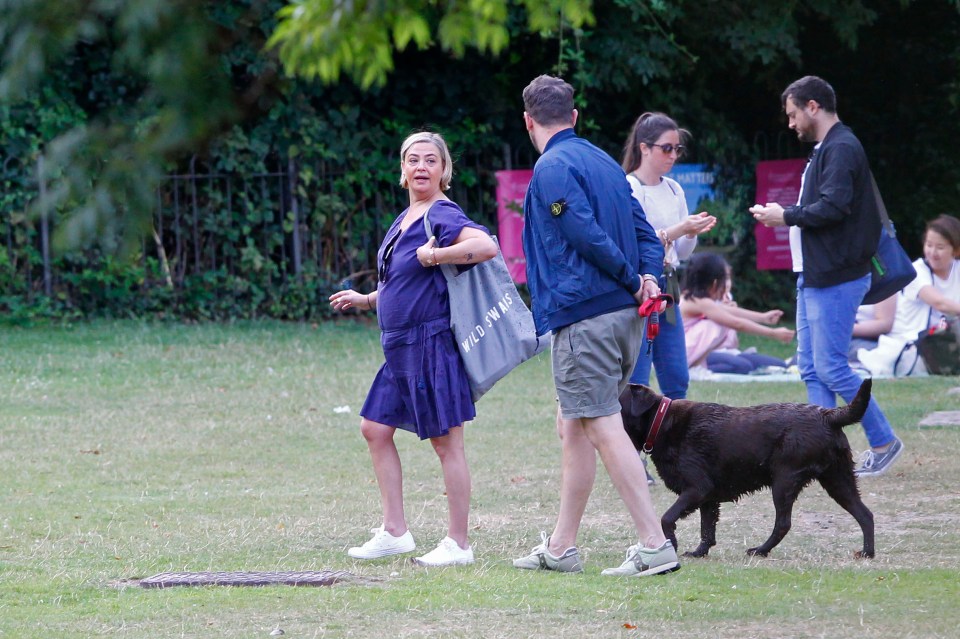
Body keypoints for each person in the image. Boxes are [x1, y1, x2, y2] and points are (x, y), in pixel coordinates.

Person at [512, 75, 679, 577]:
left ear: (528, 121)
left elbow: (580, 231)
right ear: (575, 116)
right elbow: (646, 233)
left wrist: (633, 280)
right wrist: (648, 277)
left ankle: (654, 544)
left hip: (587, 316)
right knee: (575, 426)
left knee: (601, 424)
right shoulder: (606, 162)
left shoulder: (551, 167)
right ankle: (561, 548)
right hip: (622, 318)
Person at [329, 131, 498, 566]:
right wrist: (366, 299)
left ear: (444, 170)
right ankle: (395, 532)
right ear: (402, 171)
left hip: (430, 345)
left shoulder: (441, 212)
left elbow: (485, 246)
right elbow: (398, 282)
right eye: (412, 160)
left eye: (430, 160)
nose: (420, 167)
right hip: (399, 348)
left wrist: (436, 257)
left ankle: (459, 544)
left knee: (447, 445)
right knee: (374, 428)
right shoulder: (406, 216)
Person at [750, 75, 904, 478]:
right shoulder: (827, 148)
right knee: (812, 368)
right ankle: (823, 452)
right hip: (816, 275)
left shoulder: (842, 147)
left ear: (813, 107)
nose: (790, 123)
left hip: (837, 276)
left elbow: (833, 207)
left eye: (792, 113)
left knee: (832, 366)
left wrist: (784, 215)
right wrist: (786, 214)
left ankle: (885, 441)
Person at [620, 112, 717, 395]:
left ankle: (675, 436)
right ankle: (631, 438)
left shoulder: (674, 189)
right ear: (644, 148)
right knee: (637, 378)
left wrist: (691, 232)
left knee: (676, 377)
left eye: (677, 149)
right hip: (642, 287)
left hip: (669, 285)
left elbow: (682, 252)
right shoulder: (630, 186)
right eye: (667, 148)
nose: (673, 155)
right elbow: (637, 245)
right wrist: (678, 229)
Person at [857, 214, 960, 375]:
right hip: (911, 346)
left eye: (940, 247)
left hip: (943, 342)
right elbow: (940, 303)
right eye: (929, 245)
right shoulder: (917, 271)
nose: (933, 252)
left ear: (955, 250)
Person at [680, 252, 795, 375]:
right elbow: (736, 323)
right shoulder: (698, 301)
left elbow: (730, 311)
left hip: (690, 352)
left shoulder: (695, 298)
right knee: (719, 325)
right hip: (684, 354)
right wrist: (773, 333)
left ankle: (697, 365)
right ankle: (694, 367)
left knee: (772, 365)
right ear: (714, 283)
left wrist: (763, 317)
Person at [848, 295, 897, 363]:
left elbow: (885, 324)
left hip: (867, 339)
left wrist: (843, 329)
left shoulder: (882, 287)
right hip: (840, 338)